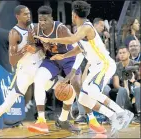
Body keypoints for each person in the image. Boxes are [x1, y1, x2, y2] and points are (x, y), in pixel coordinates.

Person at [35, 1, 134, 136]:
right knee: (82, 99)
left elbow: (71, 40)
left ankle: (121, 113)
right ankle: (113, 116)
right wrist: (63, 55)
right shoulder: (81, 29)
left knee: (92, 91)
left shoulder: (86, 27)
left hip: (104, 64)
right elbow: (79, 49)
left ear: (74, 14)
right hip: (95, 68)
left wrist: (51, 40)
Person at [28, 6, 106, 134]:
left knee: (75, 86)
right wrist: (35, 48)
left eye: (45, 20)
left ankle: (90, 119)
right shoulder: (35, 29)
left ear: (51, 19)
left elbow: (78, 45)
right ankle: (41, 120)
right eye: (40, 20)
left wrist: (75, 67)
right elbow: (36, 45)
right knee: (38, 78)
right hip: (52, 59)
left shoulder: (61, 29)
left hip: (69, 58)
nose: (42, 23)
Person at [0, 5, 45, 138]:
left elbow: (43, 47)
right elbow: (12, 61)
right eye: (25, 14)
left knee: (58, 85)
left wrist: (40, 48)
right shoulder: (14, 33)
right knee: (6, 105)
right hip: (25, 71)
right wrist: (25, 49)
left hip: (40, 67)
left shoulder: (36, 29)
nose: (28, 16)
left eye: (29, 14)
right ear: (17, 16)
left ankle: (44, 120)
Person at [112, 46, 140, 124]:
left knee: (138, 89)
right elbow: (116, 84)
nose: (122, 55)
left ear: (128, 54)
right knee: (122, 90)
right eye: (120, 53)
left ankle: (139, 115)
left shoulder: (136, 65)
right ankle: (118, 116)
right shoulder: (116, 66)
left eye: (124, 52)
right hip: (127, 100)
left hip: (137, 99)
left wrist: (133, 81)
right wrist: (125, 86)